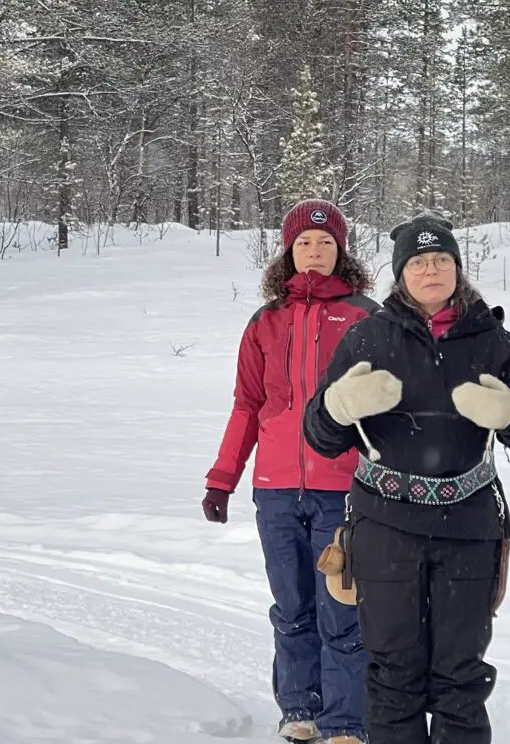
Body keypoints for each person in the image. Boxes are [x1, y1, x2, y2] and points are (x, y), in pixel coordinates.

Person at [303, 212, 510, 744]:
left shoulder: (492, 339)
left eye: (441, 259)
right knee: (393, 675)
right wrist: (338, 405)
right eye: (418, 262)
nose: (431, 270)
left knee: (460, 677)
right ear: (401, 274)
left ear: (458, 269)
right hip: (385, 526)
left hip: (470, 526)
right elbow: (320, 434)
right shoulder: (367, 337)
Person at [202, 200, 379, 744]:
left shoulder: (364, 317)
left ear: (341, 250)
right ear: (288, 250)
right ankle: (299, 710)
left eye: (326, 243)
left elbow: (386, 406)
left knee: (342, 609)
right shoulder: (265, 322)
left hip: (342, 489)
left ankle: (347, 723)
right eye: (304, 242)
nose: (315, 252)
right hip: (276, 490)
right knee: (292, 606)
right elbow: (246, 405)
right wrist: (222, 478)